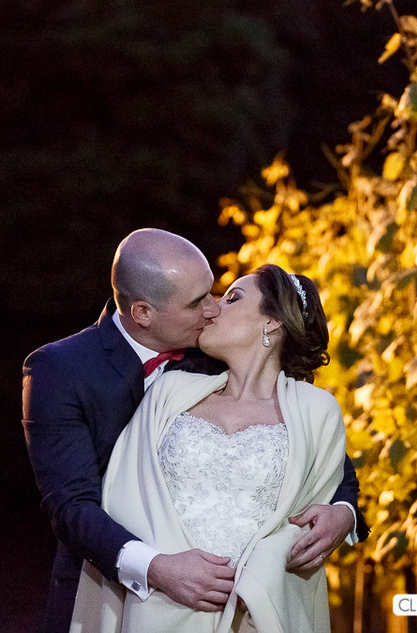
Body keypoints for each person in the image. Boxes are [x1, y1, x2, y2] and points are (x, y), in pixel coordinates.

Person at [22, 229, 366, 633]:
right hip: (120, 595)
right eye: (197, 302)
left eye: (216, 294)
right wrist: (157, 569)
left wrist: (344, 515)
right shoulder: (60, 371)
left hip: (254, 609)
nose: (212, 310)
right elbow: (72, 507)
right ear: (144, 313)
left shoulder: (218, 356)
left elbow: (326, 463)